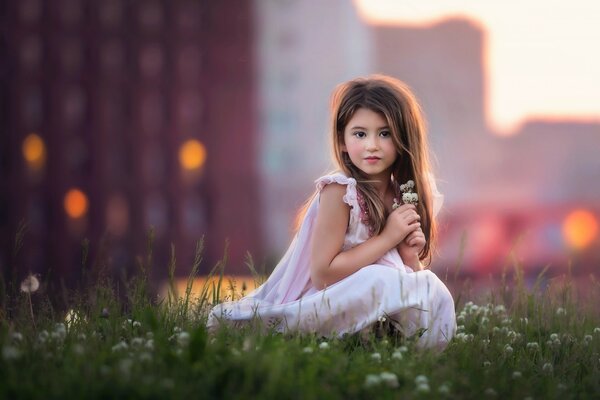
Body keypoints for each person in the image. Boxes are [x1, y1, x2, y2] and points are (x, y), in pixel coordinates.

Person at [207, 75, 456, 350]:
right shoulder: (340, 191)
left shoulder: (402, 195)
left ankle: (399, 347)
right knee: (379, 280)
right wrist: (387, 238)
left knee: (433, 290)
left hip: (372, 299)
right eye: (360, 134)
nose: (372, 144)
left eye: (384, 133)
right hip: (329, 297)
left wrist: (410, 258)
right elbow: (323, 273)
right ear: (342, 141)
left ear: (403, 139)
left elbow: (405, 279)